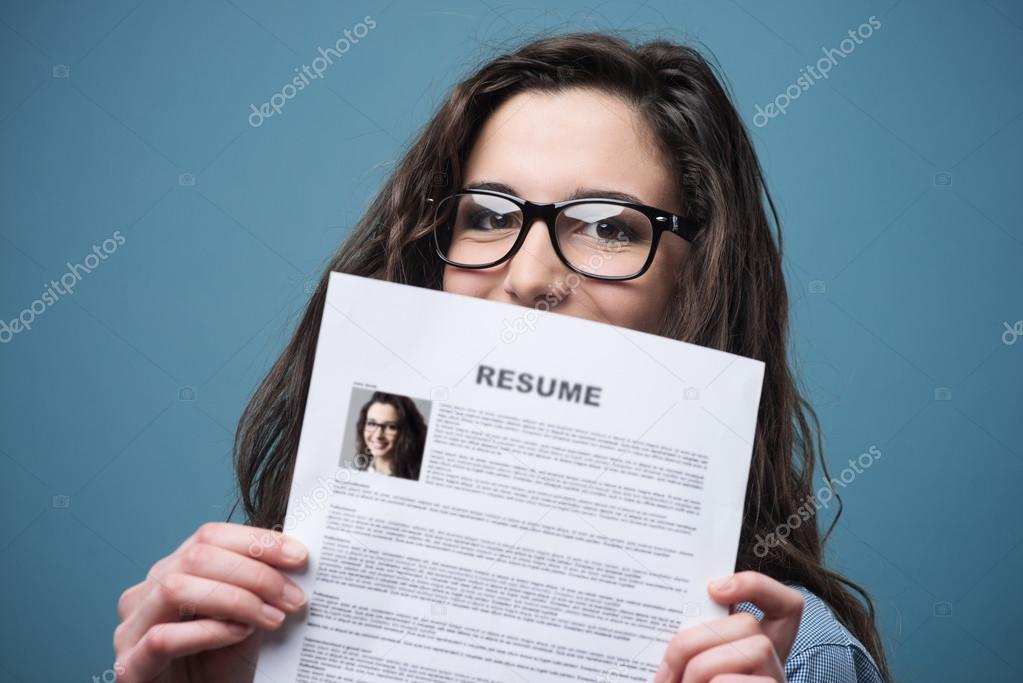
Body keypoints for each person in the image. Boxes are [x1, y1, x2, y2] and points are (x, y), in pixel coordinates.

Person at [112, 31, 890, 683]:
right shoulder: (268, 614)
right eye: (488, 215)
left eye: (608, 226)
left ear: (699, 278)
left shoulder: (792, 658)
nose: (527, 279)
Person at [351, 392, 427, 478]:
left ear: (407, 433)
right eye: (371, 424)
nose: (378, 435)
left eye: (391, 427)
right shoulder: (359, 471)